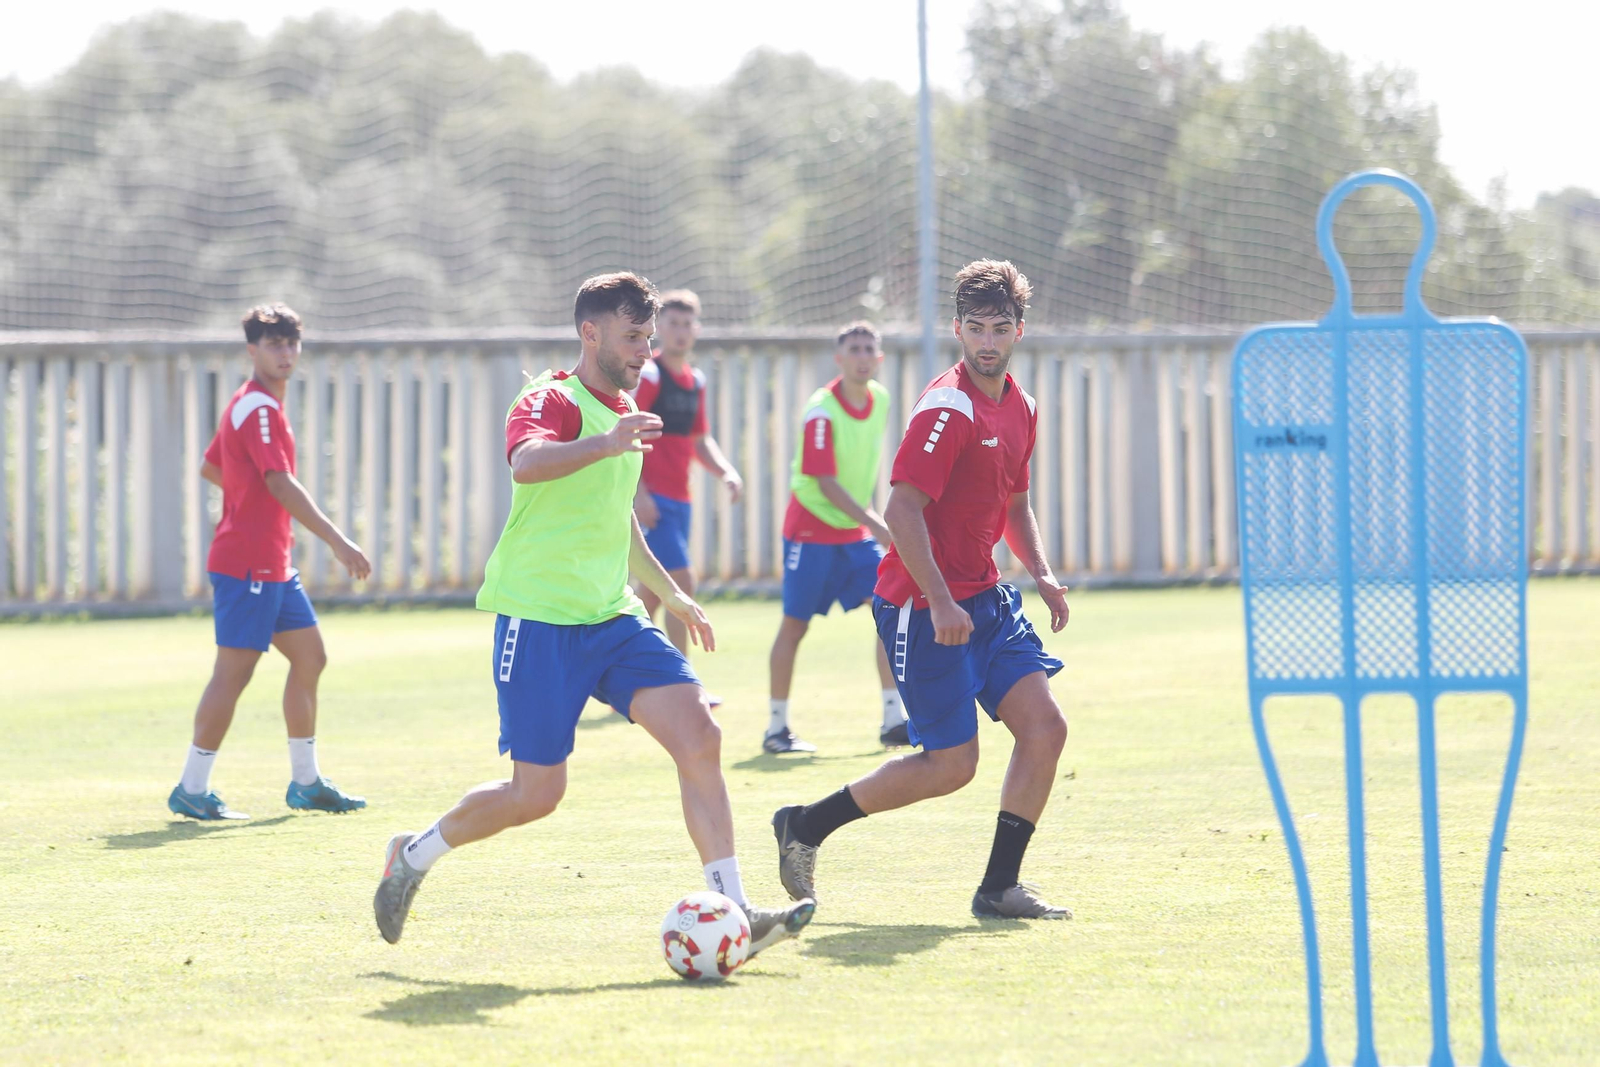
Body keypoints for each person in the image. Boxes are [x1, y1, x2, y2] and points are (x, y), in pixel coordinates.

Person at [373, 273, 814, 953]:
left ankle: (734, 908)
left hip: (611, 620)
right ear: (591, 332)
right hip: (538, 618)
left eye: (650, 334)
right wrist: (606, 442)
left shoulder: (627, 408)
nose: (648, 347)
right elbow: (527, 462)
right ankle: (414, 853)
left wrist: (670, 594)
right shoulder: (551, 398)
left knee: (699, 735)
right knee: (536, 793)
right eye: (634, 335)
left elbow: (619, 523)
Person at [772, 260, 1074, 919]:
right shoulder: (948, 406)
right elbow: (903, 509)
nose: (987, 341)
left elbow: (1016, 506)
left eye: (999, 328)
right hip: (920, 603)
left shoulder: (1021, 406)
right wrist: (939, 598)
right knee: (950, 764)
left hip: (988, 601)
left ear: (1020, 330)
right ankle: (806, 824)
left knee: (1045, 727)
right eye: (975, 328)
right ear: (958, 330)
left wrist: (1043, 573)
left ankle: (999, 886)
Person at [168, 303, 372, 821]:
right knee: (233, 674)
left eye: (290, 343)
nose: (284, 352)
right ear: (251, 350)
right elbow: (277, 481)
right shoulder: (257, 408)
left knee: (310, 658)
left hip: (273, 565)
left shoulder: (253, 404)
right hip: (248, 566)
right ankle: (192, 788)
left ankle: (306, 782)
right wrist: (337, 540)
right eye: (272, 343)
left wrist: (248, 503)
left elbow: (213, 466)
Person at [764, 321, 907, 754]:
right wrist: (879, 524)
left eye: (870, 349)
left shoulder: (880, 400)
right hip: (810, 531)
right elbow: (824, 482)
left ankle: (892, 718)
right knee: (795, 625)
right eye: (854, 350)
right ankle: (776, 729)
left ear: (878, 359)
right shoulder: (821, 411)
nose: (863, 357)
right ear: (839, 359)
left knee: (889, 610)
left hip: (853, 532)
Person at [631, 289, 741, 704]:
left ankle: (617, 669)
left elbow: (698, 439)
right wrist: (638, 493)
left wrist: (726, 471)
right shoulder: (651, 376)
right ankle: (683, 683)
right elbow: (632, 431)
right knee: (681, 581)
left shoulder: (695, 380)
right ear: (661, 329)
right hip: (652, 500)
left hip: (681, 500)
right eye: (671, 324)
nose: (679, 332)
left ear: (696, 329)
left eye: (686, 324)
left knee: (648, 594)